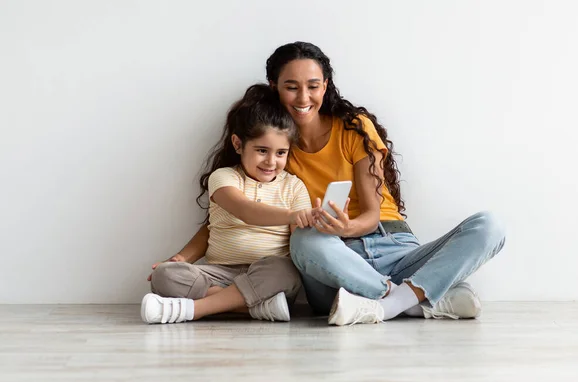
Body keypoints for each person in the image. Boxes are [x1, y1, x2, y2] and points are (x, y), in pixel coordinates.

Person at [149, 41, 506, 327]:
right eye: (291, 87)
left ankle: (392, 305)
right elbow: (229, 211)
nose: (303, 98)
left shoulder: (354, 128)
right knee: (306, 239)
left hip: (391, 243)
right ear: (275, 88)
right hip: (333, 261)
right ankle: (415, 300)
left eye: (313, 86)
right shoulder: (272, 150)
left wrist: (351, 225)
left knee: (489, 226)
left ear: (326, 86)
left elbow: (370, 213)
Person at [141, 84, 317, 324]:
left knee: (285, 270)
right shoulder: (224, 178)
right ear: (237, 144)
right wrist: (181, 259)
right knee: (164, 275)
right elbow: (245, 211)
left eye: (280, 153)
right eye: (262, 150)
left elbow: (298, 242)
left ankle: (193, 309)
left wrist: (309, 223)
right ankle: (255, 308)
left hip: (267, 273)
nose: (271, 161)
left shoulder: (294, 187)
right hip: (220, 274)